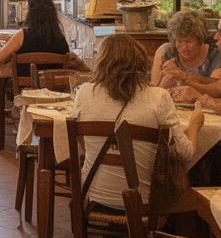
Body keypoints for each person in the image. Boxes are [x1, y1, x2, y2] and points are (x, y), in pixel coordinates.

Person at [73, 34, 206, 211]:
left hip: (92, 197)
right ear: (140, 62)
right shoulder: (158, 97)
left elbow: (80, 140)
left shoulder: (84, 92)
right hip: (143, 201)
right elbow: (186, 154)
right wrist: (194, 125)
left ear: (101, 61)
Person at [0, 0, 71, 77]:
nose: (25, 11)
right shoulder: (60, 37)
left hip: (25, 88)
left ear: (31, 12)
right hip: (53, 88)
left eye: (27, 7)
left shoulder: (22, 35)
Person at [151, 9, 221, 90]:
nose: (184, 48)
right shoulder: (165, 52)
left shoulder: (215, 53)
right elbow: (155, 88)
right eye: (179, 41)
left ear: (200, 39)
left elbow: (218, 87)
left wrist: (182, 75)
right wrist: (162, 75)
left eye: (189, 42)